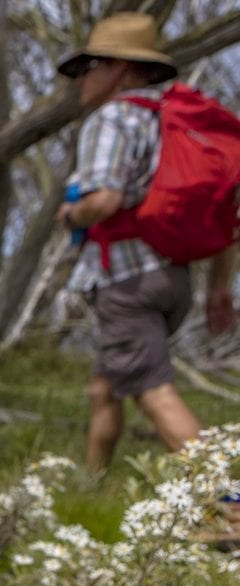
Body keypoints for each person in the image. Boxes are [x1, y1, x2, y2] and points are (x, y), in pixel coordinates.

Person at [55, 12, 237, 473]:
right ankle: (90, 486)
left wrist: (71, 213)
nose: (80, 80)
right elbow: (224, 214)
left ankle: (229, 510)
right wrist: (219, 288)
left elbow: (105, 200)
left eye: (87, 66)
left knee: (154, 392)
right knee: (105, 386)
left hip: (127, 279)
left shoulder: (113, 118)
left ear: (118, 67)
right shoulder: (175, 123)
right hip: (171, 278)